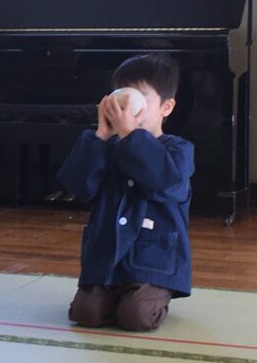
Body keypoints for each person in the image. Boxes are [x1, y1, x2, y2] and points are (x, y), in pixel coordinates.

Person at [57, 53, 195, 331]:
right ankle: (114, 297)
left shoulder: (178, 149)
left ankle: (151, 295)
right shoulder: (104, 146)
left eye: (139, 99)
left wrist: (132, 135)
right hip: (105, 258)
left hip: (152, 262)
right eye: (121, 98)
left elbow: (165, 183)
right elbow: (78, 185)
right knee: (87, 313)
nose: (127, 108)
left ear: (166, 107)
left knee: (136, 316)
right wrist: (100, 136)